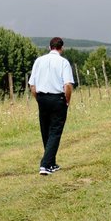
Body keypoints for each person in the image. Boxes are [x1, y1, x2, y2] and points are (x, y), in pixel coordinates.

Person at [28, 37, 75, 176]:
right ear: (62, 48)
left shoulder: (39, 61)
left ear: (49, 47)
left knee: (46, 130)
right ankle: (45, 164)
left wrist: (38, 99)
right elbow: (67, 85)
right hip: (57, 98)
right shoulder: (63, 62)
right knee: (55, 131)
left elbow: (32, 85)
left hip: (42, 97)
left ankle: (52, 163)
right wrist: (67, 100)